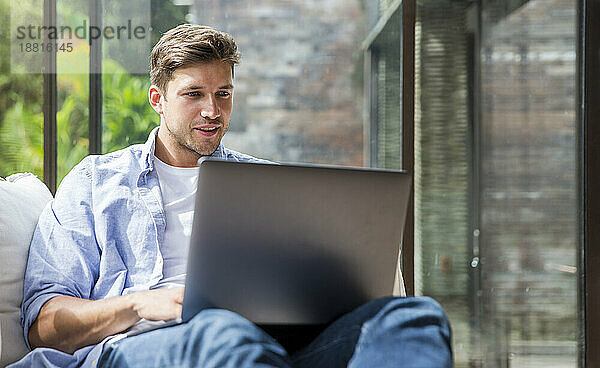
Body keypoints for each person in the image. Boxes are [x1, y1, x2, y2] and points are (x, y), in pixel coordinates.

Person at [10, 24, 452, 368]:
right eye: (194, 94)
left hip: (270, 344)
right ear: (157, 99)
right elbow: (43, 325)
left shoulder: (267, 184)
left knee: (413, 318)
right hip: (147, 346)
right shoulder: (95, 182)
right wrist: (137, 303)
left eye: (223, 94)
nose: (212, 110)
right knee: (223, 332)